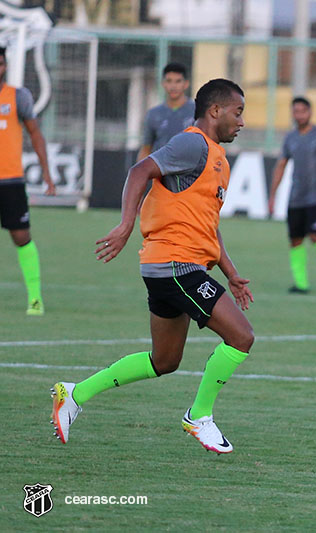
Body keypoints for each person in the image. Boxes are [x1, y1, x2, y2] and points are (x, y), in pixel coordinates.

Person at [51, 79, 254, 454]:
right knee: (241, 337)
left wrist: (231, 273)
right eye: (237, 112)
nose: (241, 121)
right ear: (215, 111)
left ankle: (75, 393)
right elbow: (140, 170)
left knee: (164, 361)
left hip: (175, 267)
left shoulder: (219, 161)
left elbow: (208, 224)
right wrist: (126, 224)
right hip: (177, 265)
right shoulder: (193, 142)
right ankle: (199, 416)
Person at [0, 46, 56, 316]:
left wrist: (46, 171)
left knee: (21, 236)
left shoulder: (18, 97)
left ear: (5, 66)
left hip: (10, 180)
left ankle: (35, 298)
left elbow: (35, 133)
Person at [269, 96, 316, 294]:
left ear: (310, 112)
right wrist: (273, 195)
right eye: (295, 111)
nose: (298, 115)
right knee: (295, 240)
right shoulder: (290, 138)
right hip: (295, 198)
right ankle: (301, 284)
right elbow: (281, 165)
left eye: (302, 111)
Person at [137, 62, 195, 162]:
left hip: (190, 172)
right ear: (163, 83)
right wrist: (140, 174)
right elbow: (146, 148)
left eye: (178, 81)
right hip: (162, 173)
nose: (173, 86)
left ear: (186, 84)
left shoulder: (197, 111)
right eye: (169, 81)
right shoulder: (154, 114)